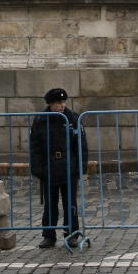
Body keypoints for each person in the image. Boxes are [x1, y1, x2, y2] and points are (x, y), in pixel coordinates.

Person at [29, 87, 89, 249]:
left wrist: (80, 167)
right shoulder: (41, 120)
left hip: (68, 167)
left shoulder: (73, 118)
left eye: (63, 102)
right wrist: (38, 170)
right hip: (49, 168)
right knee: (50, 204)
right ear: (50, 104)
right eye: (57, 103)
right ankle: (48, 235)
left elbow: (81, 145)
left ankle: (72, 234)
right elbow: (35, 147)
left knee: (70, 203)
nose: (61, 105)